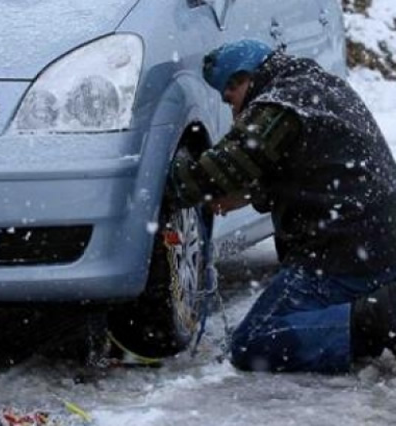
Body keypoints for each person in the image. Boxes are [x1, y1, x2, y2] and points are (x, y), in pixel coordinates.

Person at [169, 39, 396, 373]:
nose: (235, 114)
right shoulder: (316, 86)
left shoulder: (279, 104)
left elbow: (218, 170)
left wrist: (166, 178)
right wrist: (250, 194)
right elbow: (309, 168)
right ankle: (374, 309)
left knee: (253, 342)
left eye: (230, 99)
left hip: (339, 255)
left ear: (243, 79)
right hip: (376, 244)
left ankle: (379, 320)